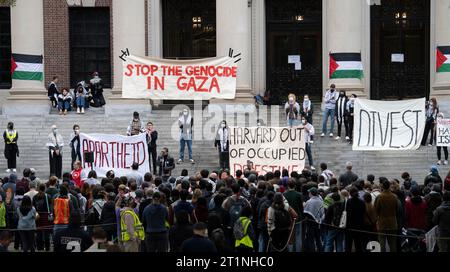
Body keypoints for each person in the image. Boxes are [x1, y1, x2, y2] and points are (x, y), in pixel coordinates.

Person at [374, 178, 399, 252]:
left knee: (382, 244)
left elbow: (376, 209)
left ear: (382, 187)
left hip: (382, 223)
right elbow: (397, 209)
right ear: (389, 186)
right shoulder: (394, 196)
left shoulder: (380, 197)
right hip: (392, 223)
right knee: (392, 244)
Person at [283, 179, 303, 252]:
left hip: (288, 219)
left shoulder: (284, 194)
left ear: (288, 186)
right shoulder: (298, 195)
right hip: (298, 218)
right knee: (298, 236)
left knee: (290, 236)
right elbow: (301, 208)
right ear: (295, 185)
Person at [345, 187, 366, 252]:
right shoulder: (362, 202)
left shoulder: (348, 202)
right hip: (359, 226)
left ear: (350, 194)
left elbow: (346, 213)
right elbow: (363, 213)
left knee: (348, 245)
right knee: (358, 245)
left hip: (349, 226)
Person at [33, 184, 52, 251]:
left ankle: (39, 247)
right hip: (46, 216)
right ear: (45, 189)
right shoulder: (48, 196)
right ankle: (47, 247)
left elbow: (34, 207)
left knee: (39, 233)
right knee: (46, 233)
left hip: (38, 216)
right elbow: (50, 207)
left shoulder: (35, 197)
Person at [304, 187, 324, 252]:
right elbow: (323, 213)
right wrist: (319, 220)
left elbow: (305, 212)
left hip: (310, 224)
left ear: (311, 193)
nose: (308, 193)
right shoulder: (321, 201)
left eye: (309, 192)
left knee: (311, 239)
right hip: (318, 224)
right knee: (318, 239)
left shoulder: (308, 202)